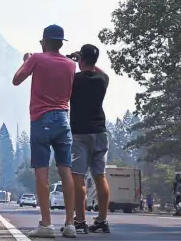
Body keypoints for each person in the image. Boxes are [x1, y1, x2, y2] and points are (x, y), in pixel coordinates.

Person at [12, 25, 77, 238]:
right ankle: (70, 224)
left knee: (42, 171)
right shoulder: (70, 65)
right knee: (65, 169)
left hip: (41, 119)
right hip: (63, 119)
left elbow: (16, 80)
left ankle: (46, 224)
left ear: (44, 41)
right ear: (61, 42)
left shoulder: (37, 59)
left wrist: (27, 60)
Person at [67, 44, 111, 234]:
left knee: (78, 177)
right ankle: (102, 220)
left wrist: (73, 61)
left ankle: (80, 221)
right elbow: (99, 70)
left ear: (81, 59)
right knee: (99, 176)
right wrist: (86, 60)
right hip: (100, 132)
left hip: (80, 134)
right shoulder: (103, 79)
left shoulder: (74, 79)